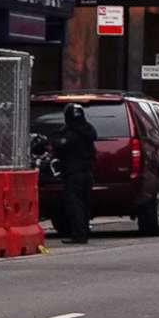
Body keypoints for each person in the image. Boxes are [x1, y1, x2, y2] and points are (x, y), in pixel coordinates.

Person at [56, 102, 97, 243]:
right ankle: (83, 232)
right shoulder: (88, 131)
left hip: (74, 174)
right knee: (85, 203)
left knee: (75, 205)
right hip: (87, 173)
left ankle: (79, 234)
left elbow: (60, 147)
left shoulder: (70, 134)